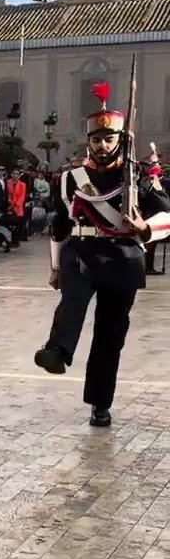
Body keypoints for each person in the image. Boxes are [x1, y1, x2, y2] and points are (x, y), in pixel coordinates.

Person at [34, 81, 170, 427]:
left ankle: (100, 403)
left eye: (109, 139)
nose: (102, 145)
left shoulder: (138, 176)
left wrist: (144, 228)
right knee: (72, 301)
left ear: (120, 140)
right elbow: (60, 225)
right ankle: (57, 351)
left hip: (122, 256)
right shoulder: (71, 178)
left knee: (110, 334)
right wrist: (55, 267)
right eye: (96, 139)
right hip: (81, 250)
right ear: (89, 141)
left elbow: (166, 214)